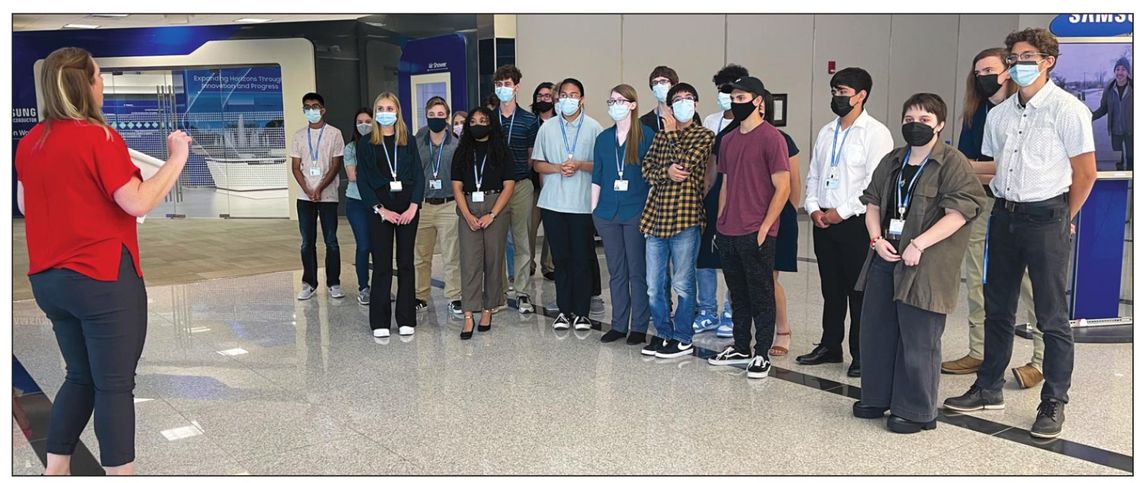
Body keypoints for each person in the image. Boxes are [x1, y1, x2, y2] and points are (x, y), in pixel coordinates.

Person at [16, 46, 194, 475]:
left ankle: (54, 469)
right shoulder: (100, 137)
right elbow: (135, 201)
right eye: (98, 77)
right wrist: (176, 159)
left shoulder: (30, 143)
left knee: (79, 376)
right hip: (102, 279)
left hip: (49, 282)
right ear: (87, 84)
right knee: (114, 386)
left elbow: (26, 204)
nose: (101, 85)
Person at [944, 28, 1098, 440]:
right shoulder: (1000, 114)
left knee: (1051, 316)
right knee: (998, 306)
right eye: (1013, 57)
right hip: (1004, 215)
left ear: (1048, 60)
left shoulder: (1068, 110)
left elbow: (1086, 173)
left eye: (1027, 56)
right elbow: (996, 167)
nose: (1018, 64)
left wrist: (1065, 214)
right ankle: (988, 387)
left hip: (1046, 216)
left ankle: (1054, 400)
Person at [853, 93, 985, 433]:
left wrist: (919, 244)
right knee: (876, 332)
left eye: (924, 120)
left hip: (926, 263)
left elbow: (959, 213)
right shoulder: (892, 161)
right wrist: (876, 239)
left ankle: (916, 410)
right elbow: (872, 204)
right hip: (886, 256)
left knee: (919, 339)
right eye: (910, 119)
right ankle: (876, 396)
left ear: (939, 125)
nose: (916, 126)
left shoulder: (953, 163)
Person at [941, 47, 1046, 388]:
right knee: (976, 278)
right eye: (977, 71)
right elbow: (965, 165)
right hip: (982, 205)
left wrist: (981, 167)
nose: (983, 76)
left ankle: (1041, 360)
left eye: (990, 68)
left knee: (1031, 285)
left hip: (1024, 208)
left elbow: (1013, 166)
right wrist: (985, 168)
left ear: (1009, 71)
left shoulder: (1028, 110)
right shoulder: (975, 114)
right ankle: (978, 350)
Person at [799, 67, 894, 377]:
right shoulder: (827, 131)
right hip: (823, 219)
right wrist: (813, 207)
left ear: (861, 95)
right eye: (834, 92)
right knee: (831, 287)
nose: (836, 97)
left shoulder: (875, 133)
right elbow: (814, 174)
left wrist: (841, 211)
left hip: (855, 221)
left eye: (842, 92)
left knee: (859, 290)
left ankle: (862, 352)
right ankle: (830, 345)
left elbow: (874, 183)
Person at [704, 76, 790, 378]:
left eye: (741, 98)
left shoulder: (772, 138)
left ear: (758, 101)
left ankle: (761, 352)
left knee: (761, 292)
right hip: (729, 230)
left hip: (757, 230)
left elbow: (783, 186)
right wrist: (721, 220)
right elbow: (726, 182)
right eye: (732, 98)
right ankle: (741, 346)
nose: (735, 103)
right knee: (736, 293)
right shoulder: (727, 140)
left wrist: (766, 226)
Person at [639, 82, 715, 358]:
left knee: (682, 282)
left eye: (688, 98)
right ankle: (663, 333)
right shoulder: (659, 138)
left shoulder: (704, 135)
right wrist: (666, 172)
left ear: (695, 104)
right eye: (678, 100)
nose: (683, 103)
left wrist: (671, 138)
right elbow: (647, 170)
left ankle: (683, 336)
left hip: (685, 218)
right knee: (654, 285)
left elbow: (685, 165)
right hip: (655, 219)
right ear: (669, 107)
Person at [534, 78, 605, 331]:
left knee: (582, 258)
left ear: (582, 99)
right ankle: (564, 310)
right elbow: (537, 164)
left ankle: (582, 312)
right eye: (563, 95)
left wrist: (580, 165)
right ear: (557, 99)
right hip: (553, 204)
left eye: (573, 95)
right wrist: (556, 167)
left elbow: (602, 165)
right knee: (561, 259)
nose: (568, 99)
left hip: (583, 205)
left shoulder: (595, 128)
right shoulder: (548, 127)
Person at [354, 92, 426, 338]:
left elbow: (418, 175)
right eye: (381, 108)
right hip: (379, 211)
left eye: (390, 108)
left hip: (408, 210)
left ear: (398, 112)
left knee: (406, 263)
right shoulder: (366, 143)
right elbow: (362, 180)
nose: (385, 112)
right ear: (376, 113)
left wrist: (413, 207)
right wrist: (380, 209)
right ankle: (380, 321)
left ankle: (406, 318)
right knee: (382, 265)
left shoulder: (408, 141)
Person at [592, 84, 655, 345]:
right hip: (607, 212)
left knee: (637, 271)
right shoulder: (604, 138)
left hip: (635, 212)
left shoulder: (646, 136)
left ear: (632, 104)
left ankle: (638, 326)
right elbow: (597, 177)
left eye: (620, 100)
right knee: (616, 271)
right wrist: (593, 211)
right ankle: (619, 323)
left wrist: (650, 214)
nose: (615, 105)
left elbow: (652, 179)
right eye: (611, 101)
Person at [693, 64, 748, 339]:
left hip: (737, 195)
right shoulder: (710, 121)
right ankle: (707, 310)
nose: (726, 95)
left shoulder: (748, 124)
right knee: (704, 256)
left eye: (732, 90)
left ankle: (731, 309)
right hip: (708, 194)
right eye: (722, 90)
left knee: (731, 255)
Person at [451, 107, 517, 339]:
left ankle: (488, 309)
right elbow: (456, 186)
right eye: (474, 121)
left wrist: (493, 214)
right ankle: (468, 314)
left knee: (493, 260)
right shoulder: (462, 152)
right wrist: (467, 214)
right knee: (470, 262)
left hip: (495, 204)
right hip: (468, 205)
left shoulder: (501, 151)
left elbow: (509, 185)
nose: (478, 124)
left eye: (483, 120)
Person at [492, 65, 542, 314]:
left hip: (521, 185)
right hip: (494, 189)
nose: (503, 89)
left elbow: (532, 156)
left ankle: (522, 292)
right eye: (499, 85)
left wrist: (515, 170)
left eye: (507, 84)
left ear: (517, 87)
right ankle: (498, 292)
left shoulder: (529, 120)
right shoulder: (488, 119)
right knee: (496, 240)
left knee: (522, 238)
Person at [410, 96, 463, 315]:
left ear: (447, 116)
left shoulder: (456, 142)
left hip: (448, 204)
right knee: (421, 255)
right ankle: (420, 295)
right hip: (423, 205)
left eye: (440, 115)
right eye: (432, 115)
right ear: (426, 116)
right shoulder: (418, 138)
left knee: (452, 255)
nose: (436, 119)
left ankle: (454, 296)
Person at [290, 92, 346, 301]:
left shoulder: (334, 134)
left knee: (331, 240)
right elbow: (295, 167)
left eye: (315, 106)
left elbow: (336, 165)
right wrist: (307, 189)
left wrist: (320, 188)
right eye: (307, 107)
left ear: (323, 109)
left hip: (328, 195)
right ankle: (309, 283)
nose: (311, 110)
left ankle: (334, 282)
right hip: (304, 197)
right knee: (307, 241)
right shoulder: (298, 136)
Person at [343, 108, 376, 305]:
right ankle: (364, 287)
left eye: (368, 121)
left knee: (380, 247)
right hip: (357, 203)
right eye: (360, 121)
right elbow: (352, 176)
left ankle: (380, 287)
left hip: (379, 203)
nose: (364, 124)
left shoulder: (380, 145)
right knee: (364, 245)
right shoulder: (351, 148)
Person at [529, 82, 557, 281]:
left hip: (556, 183)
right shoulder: (530, 123)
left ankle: (549, 265)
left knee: (551, 229)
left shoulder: (561, 123)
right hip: (532, 185)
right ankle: (528, 264)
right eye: (539, 96)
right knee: (528, 228)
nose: (543, 99)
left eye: (547, 96)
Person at [1091, 56, 1132, 170]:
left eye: (1123, 69)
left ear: (1128, 72)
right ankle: (1120, 183)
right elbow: (1104, 108)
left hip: (1132, 132)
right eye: (1117, 69)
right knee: (1118, 160)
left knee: (1131, 159)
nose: (1120, 72)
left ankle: (1133, 186)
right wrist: (1090, 116)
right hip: (1115, 131)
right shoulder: (1109, 89)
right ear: (1114, 72)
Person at [640, 66, 702, 133]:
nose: (659, 86)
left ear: (673, 85)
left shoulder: (688, 115)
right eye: (655, 83)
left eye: (663, 81)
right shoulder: (644, 121)